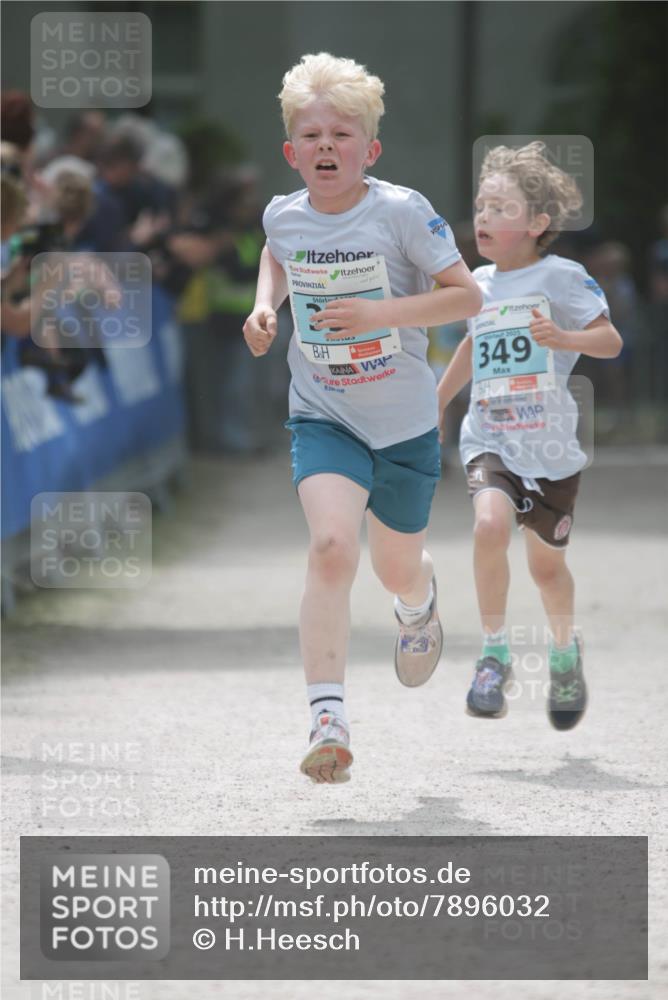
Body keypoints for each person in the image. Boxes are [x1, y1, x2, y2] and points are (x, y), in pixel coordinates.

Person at [243, 53, 481, 783]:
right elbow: (277, 253)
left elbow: (466, 297)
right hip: (323, 413)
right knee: (330, 547)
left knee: (393, 567)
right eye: (311, 135)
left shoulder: (402, 212)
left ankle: (419, 602)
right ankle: (328, 717)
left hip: (404, 422)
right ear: (291, 151)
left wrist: (381, 312)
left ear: (370, 149)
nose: (325, 147)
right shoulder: (282, 212)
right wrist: (264, 306)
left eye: (341, 134)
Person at [437, 141, 622, 730]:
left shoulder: (563, 278)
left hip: (549, 448)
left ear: (538, 223)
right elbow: (472, 343)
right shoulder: (476, 284)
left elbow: (610, 340)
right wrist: (433, 406)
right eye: (480, 206)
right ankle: (494, 655)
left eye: (500, 208)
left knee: (546, 569)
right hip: (489, 435)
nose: (484, 218)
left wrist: (563, 339)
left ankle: (564, 655)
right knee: (490, 525)